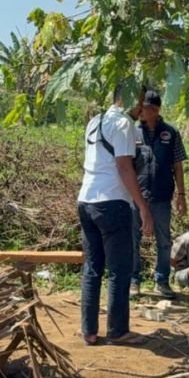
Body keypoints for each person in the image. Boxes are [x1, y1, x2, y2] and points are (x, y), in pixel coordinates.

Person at [77, 83, 153, 345]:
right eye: (141, 101)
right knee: (120, 269)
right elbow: (124, 168)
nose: (142, 107)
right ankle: (118, 330)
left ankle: (89, 330)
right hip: (112, 202)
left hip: (86, 200)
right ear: (131, 99)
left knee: (92, 267)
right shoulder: (123, 124)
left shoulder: (95, 121)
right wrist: (142, 206)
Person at [128, 89, 187, 299]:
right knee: (132, 239)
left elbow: (178, 166)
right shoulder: (132, 132)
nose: (140, 112)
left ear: (155, 109)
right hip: (137, 197)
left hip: (162, 197)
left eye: (143, 108)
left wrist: (181, 195)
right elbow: (126, 165)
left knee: (164, 241)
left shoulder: (170, 133)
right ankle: (134, 282)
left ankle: (162, 281)